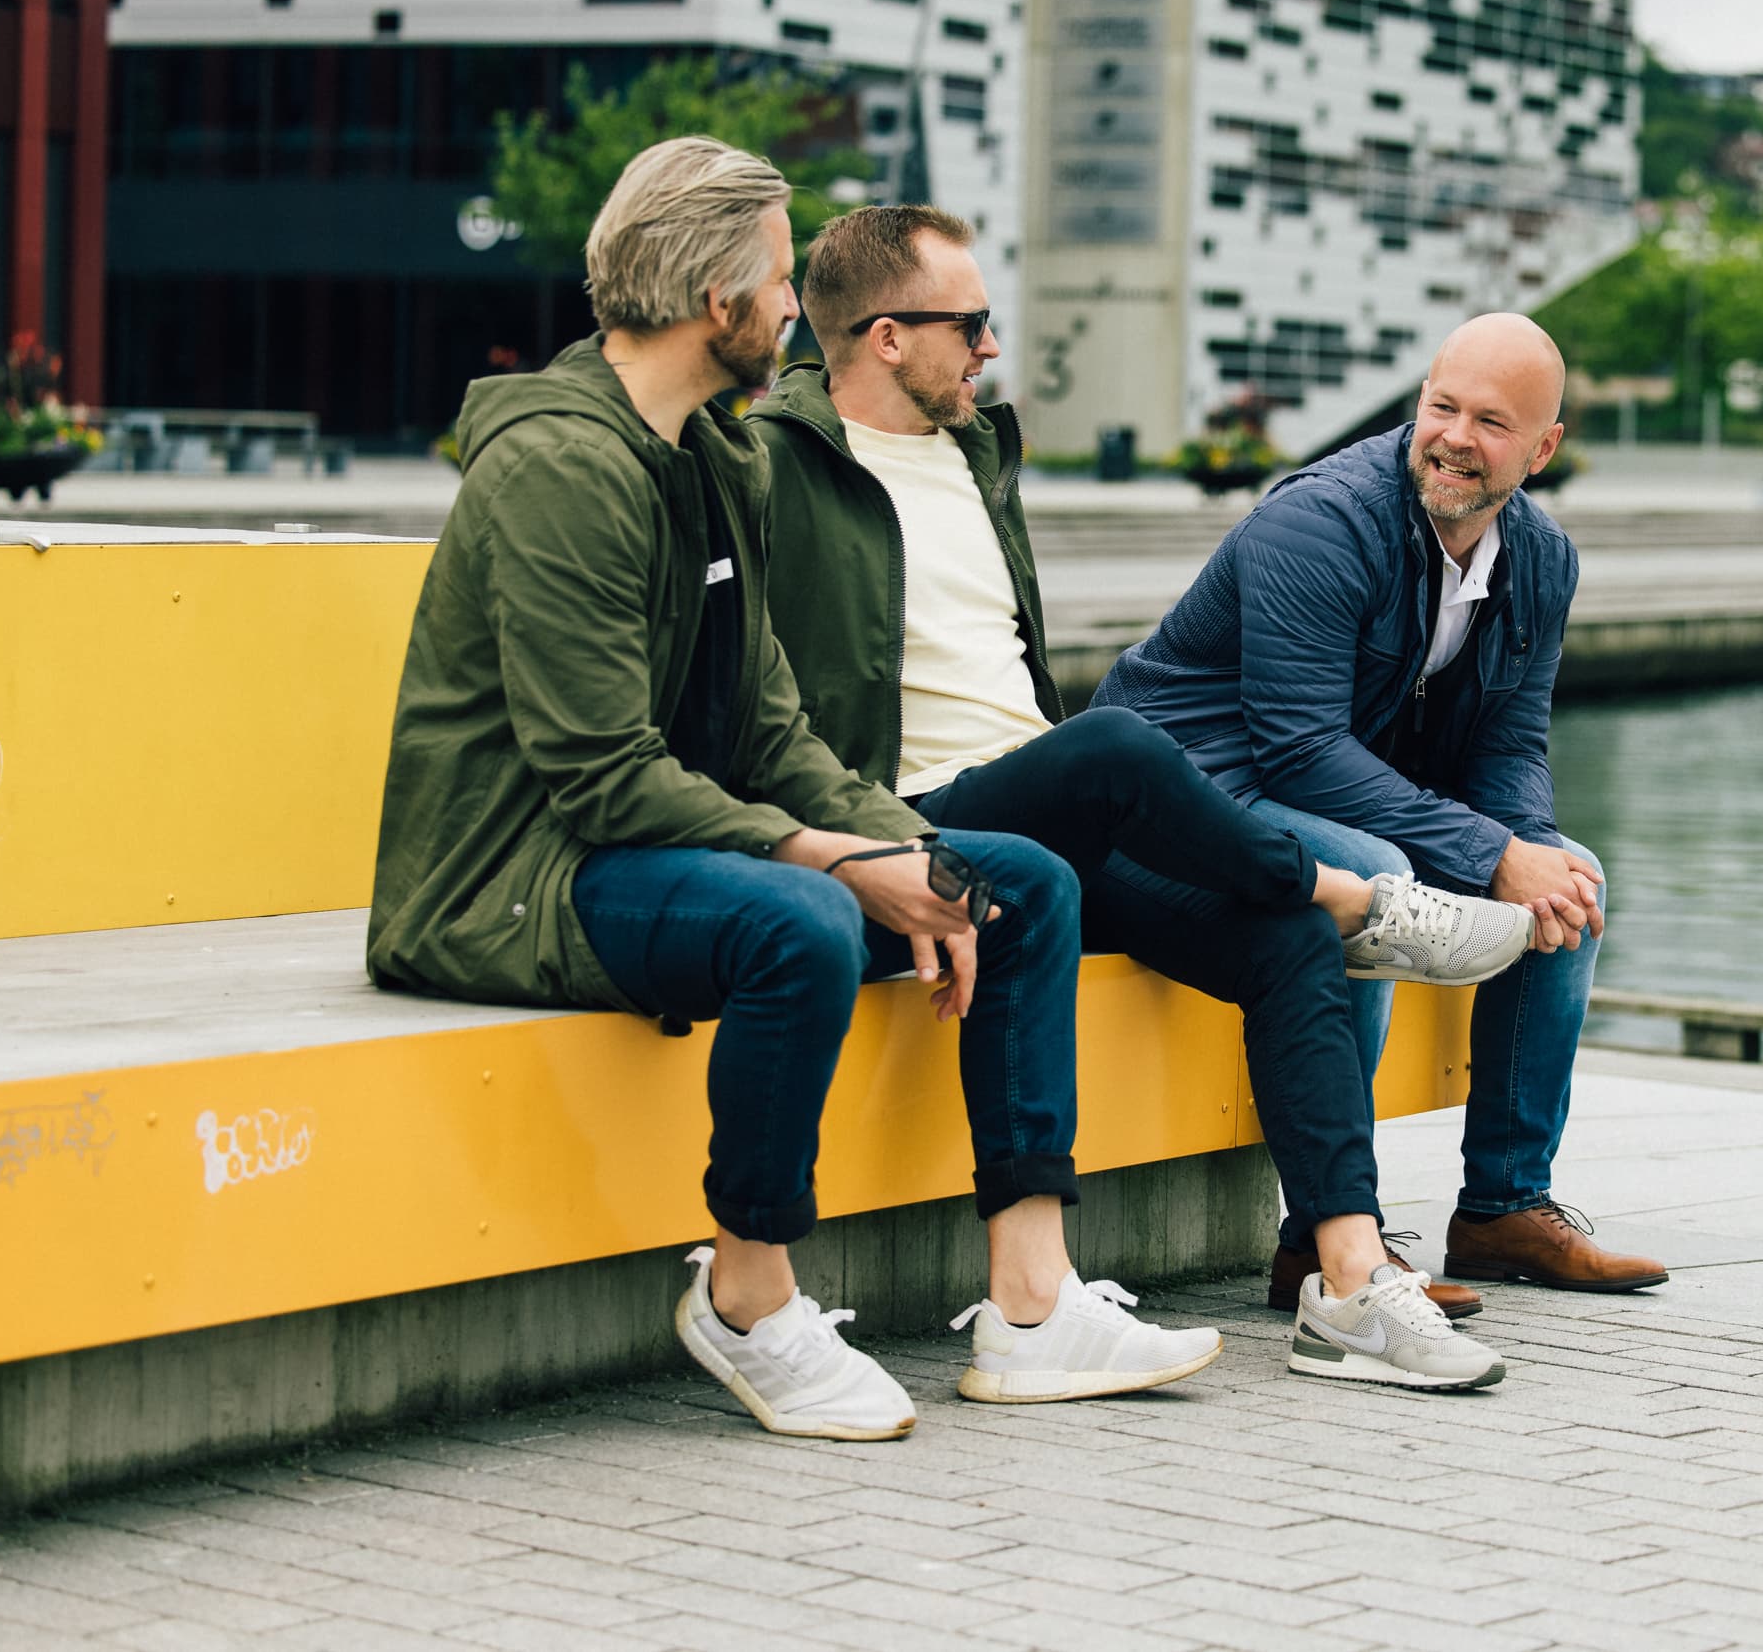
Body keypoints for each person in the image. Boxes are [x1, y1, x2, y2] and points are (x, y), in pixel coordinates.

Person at [366, 139, 1219, 1439]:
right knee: (802, 922)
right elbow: (599, 776)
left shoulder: (718, 456)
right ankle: (749, 1294)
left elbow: (770, 728)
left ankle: (1033, 1305)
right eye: (777, 279)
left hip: (644, 847)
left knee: (1017, 882)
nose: (792, 307)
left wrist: (912, 847)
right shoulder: (560, 467)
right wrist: (832, 859)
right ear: (719, 303)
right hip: (516, 878)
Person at [751, 204, 1528, 1392]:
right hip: (908, 819)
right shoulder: (773, 469)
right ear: (889, 335)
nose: (992, 348)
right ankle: (1348, 892)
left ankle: (1349, 1285)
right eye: (971, 324)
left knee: (1281, 945)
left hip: (1038, 811)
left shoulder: (971, 456)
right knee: (1114, 749)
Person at [1095, 314, 1672, 1298]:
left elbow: (1508, 741)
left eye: (1490, 422)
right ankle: (1322, 1235)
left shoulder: (1540, 560)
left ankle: (1504, 1208)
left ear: (1543, 449)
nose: (1453, 436)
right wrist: (1491, 853)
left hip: (1317, 798)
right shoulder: (1318, 522)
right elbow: (1300, 747)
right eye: (1441, 406)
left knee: (1572, 879)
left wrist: (1528, 851)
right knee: (1376, 881)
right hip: (1178, 802)